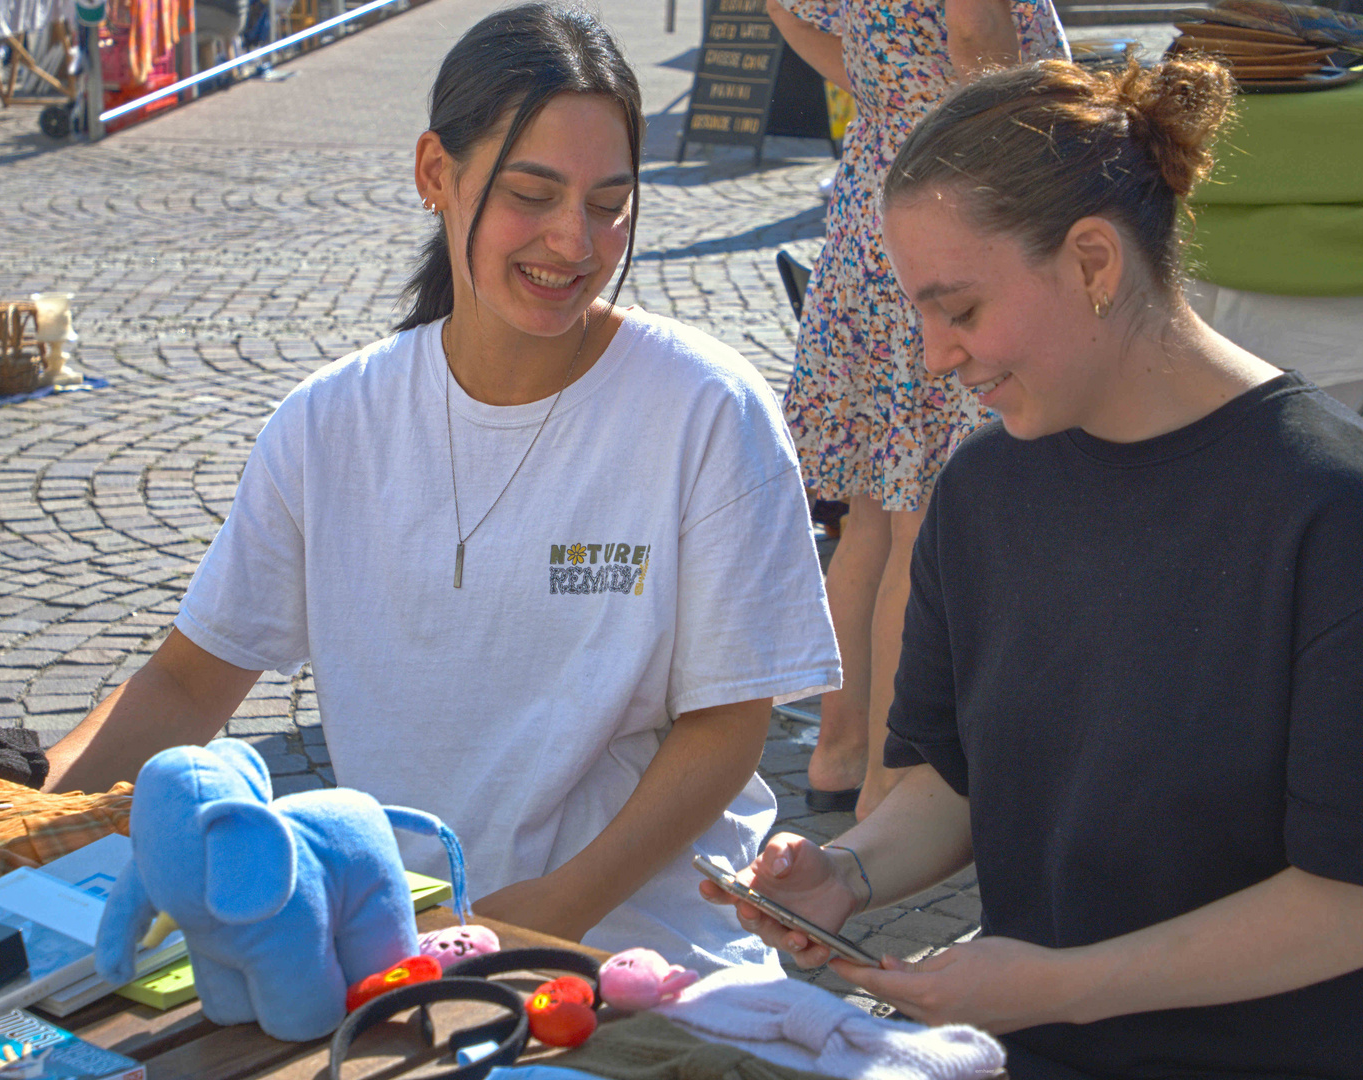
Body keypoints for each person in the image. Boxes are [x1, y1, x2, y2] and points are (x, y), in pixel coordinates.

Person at [42, 3, 840, 973]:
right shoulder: (328, 422)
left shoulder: (705, 406)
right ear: (436, 175)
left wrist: (557, 907)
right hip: (393, 942)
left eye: (607, 202)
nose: (574, 241)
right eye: (532, 193)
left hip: (648, 948)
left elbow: (728, 723)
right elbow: (186, 681)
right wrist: (15, 820)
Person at [704, 55, 1363, 1077]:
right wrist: (847, 873)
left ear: (1091, 262)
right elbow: (955, 779)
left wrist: (1065, 985)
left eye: (961, 309)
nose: (936, 354)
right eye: (921, 313)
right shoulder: (984, 488)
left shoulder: (1337, 505)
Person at [767, 1, 1068, 821]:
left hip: (876, 206)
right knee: (917, 523)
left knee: (869, 520)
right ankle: (890, 786)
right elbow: (976, 33)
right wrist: (1017, 145)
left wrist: (885, 83)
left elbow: (790, 13)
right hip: (956, 204)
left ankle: (838, 756)